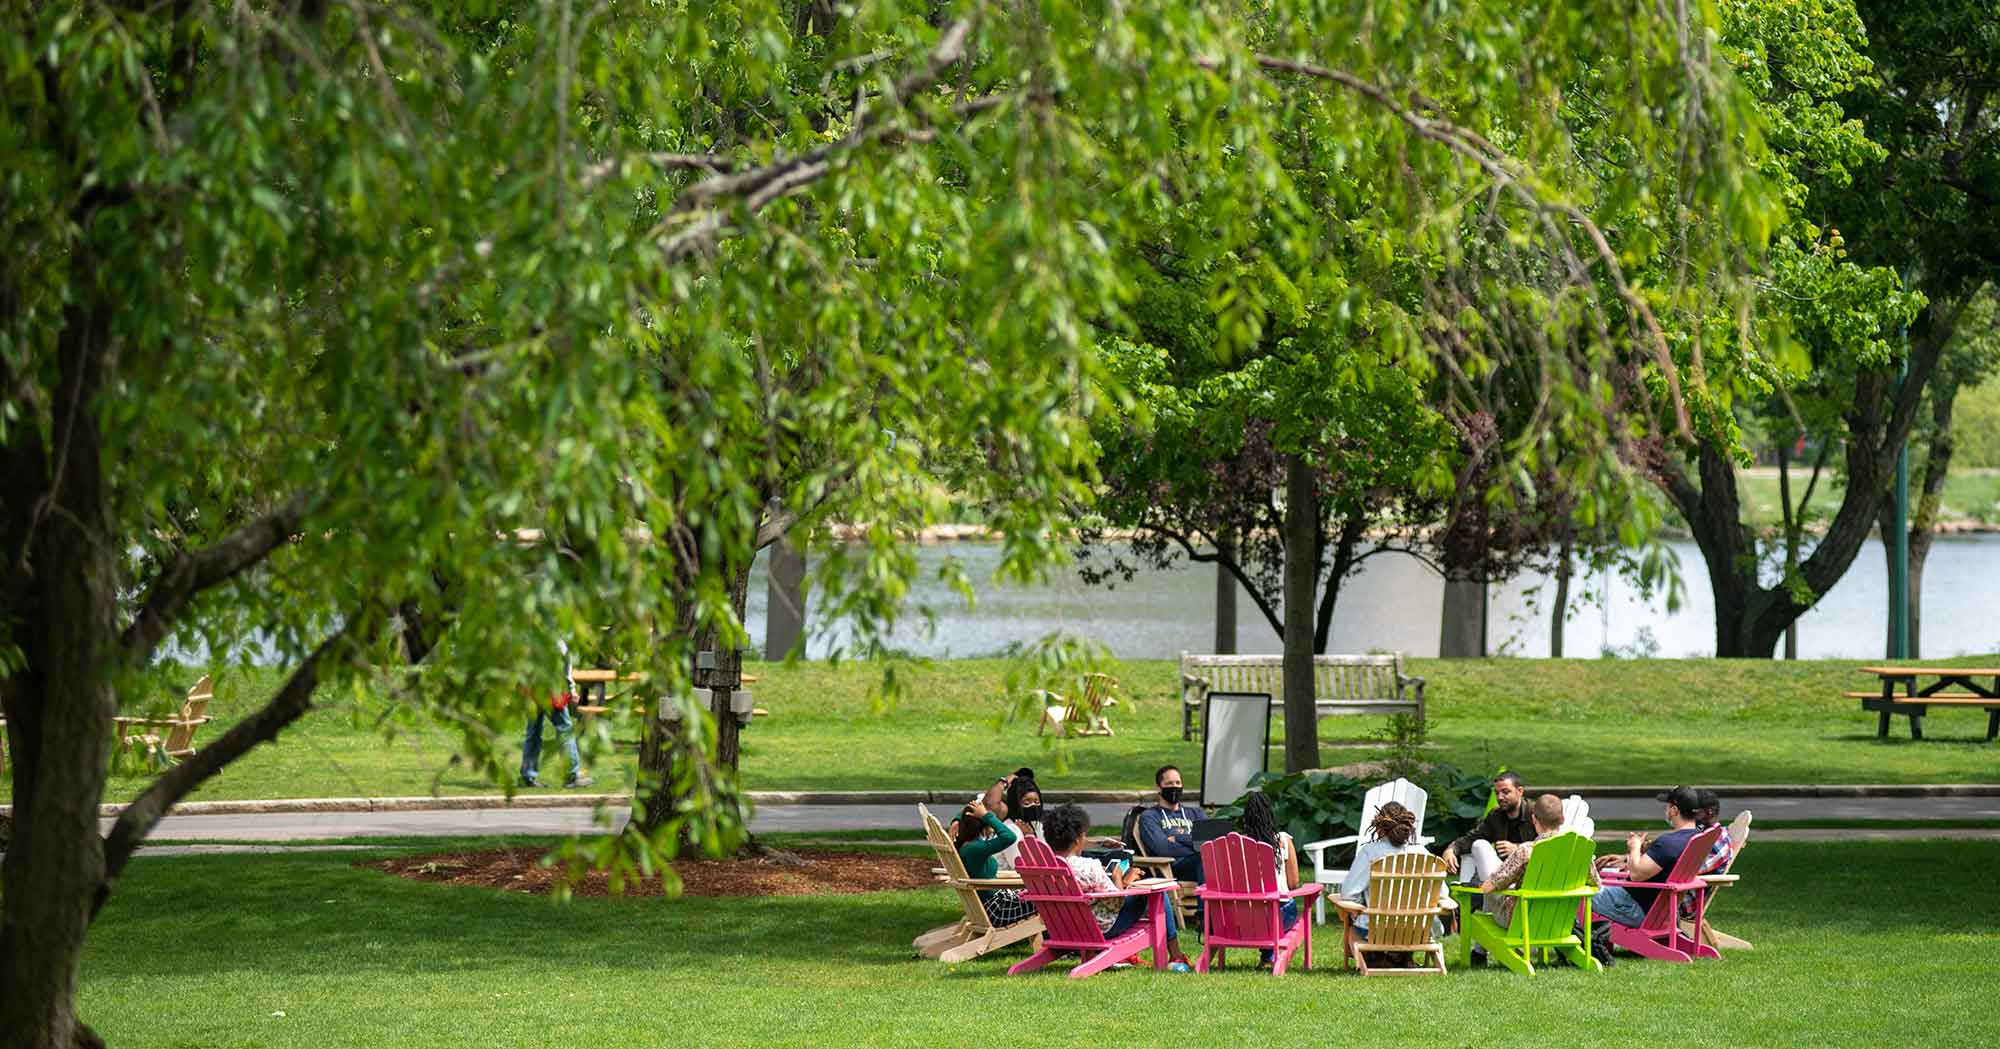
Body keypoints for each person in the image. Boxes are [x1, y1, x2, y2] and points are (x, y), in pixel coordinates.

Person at [1044, 803, 1191, 971]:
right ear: (1078, 839)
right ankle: (1176, 954)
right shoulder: (1089, 867)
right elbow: (1116, 900)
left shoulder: (1044, 868)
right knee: (1158, 894)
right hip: (1100, 929)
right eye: (1085, 836)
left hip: (1063, 928)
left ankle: (1175, 954)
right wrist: (1119, 878)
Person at [1478, 794, 1599, 930]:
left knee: (1488, 883)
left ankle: (1479, 950)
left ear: (1534, 818)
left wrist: (1476, 887)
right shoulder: (1580, 851)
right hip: (1559, 922)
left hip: (1520, 921)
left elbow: (1491, 885)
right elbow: (1596, 884)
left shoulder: (1526, 851)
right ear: (1562, 819)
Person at [1592, 785, 1706, 928]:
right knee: (1603, 883)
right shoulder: (1698, 839)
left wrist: (1635, 846)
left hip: (1634, 908)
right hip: (1664, 913)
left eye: (1668, 806)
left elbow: (1635, 874)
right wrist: (1633, 855)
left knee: (1579, 893)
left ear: (1674, 810)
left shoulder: (1668, 842)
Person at [1338, 801, 1434, 940]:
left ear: (1379, 828)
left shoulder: (1370, 852)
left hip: (1377, 931)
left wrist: (1363, 906)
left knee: (1352, 931)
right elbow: (1442, 893)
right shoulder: (1422, 853)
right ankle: (1398, 958)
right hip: (1418, 931)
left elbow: (1348, 894)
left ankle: (1379, 957)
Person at [1237, 791, 1301, 965]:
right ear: (1270, 815)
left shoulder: (1237, 846)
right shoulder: (1283, 841)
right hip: (1279, 917)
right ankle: (1272, 956)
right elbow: (1294, 883)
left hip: (1242, 918)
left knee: (1261, 910)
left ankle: (1267, 956)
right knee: (1278, 908)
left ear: (1246, 818)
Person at [954, 798, 1036, 927]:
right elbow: (1009, 837)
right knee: (1046, 900)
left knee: (1039, 893)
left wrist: (959, 819)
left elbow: (966, 814)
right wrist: (987, 816)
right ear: (983, 824)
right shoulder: (975, 848)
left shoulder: (968, 846)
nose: (992, 826)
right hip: (997, 910)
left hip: (994, 904)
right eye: (989, 822)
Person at [1441, 771, 1533, 886]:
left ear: (1520, 791)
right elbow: (1472, 838)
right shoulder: (1496, 816)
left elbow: (1548, 843)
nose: (1500, 797)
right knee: (1479, 844)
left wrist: (1518, 849)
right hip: (1502, 875)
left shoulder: (1535, 813)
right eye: (1497, 793)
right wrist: (1451, 849)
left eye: (1505, 792)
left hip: (1530, 875)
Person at [521, 642, 592, 789]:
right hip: (550, 690)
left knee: (533, 733)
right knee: (565, 729)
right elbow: (565, 661)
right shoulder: (555, 636)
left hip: (531, 689)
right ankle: (572, 775)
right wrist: (571, 688)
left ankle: (527, 776)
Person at [1136, 765, 1205, 882]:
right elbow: (1163, 849)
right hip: (1171, 869)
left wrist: (1178, 838)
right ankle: (1207, 900)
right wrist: (1196, 846)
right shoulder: (1150, 816)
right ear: (1159, 787)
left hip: (1200, 863)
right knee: (1205, 858)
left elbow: (1208, 842)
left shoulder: (1196, 813)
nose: (1174, 787)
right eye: (1169, 783)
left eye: (1178, 783)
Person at [995, 769, 1045, 870]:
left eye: (1036, 801)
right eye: (1027, 803)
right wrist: (1029, 837)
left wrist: (1031, 836)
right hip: (1004, 883)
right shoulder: (1011, 830)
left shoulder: (1037, 825)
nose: (1033, 806)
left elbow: (1046, 858)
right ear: (1016, 805)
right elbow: (1018, 867)